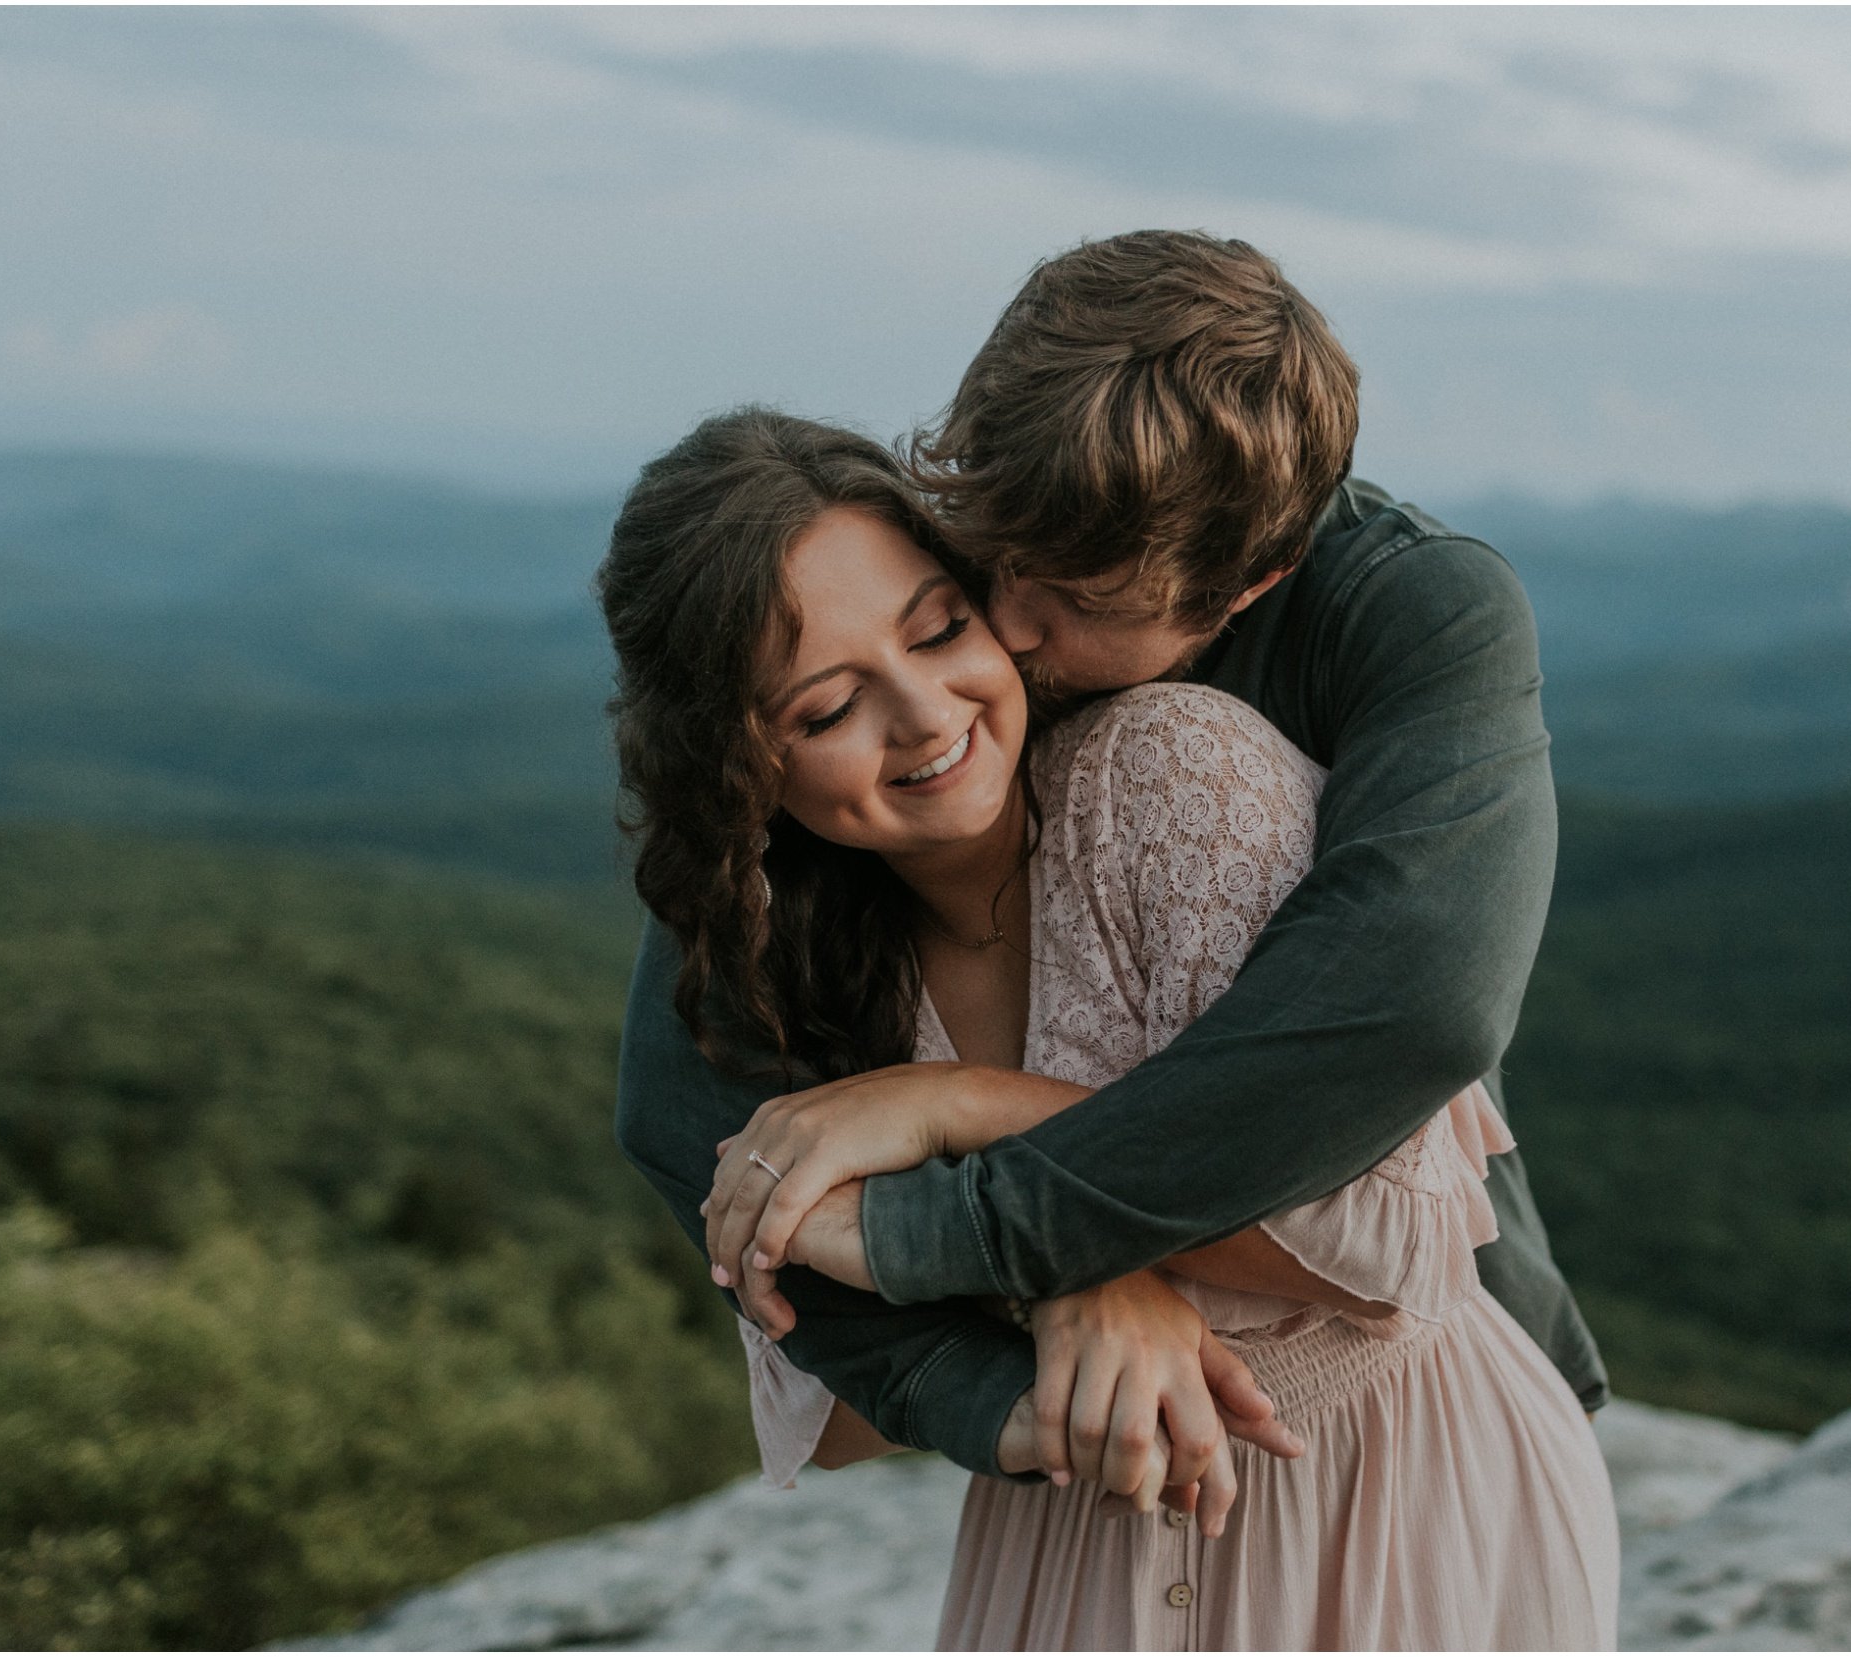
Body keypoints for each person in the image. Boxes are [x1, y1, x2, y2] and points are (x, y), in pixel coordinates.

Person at [611, 233, 1612, 1512]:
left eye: (1075, 597)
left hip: (1397, 1385)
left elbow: (1411, 1000)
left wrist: (962, 1195)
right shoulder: (956, 592)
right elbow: (683, 1089)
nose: (1009, 627)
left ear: (1252, 585)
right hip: (1110, 1453)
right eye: (991, 550)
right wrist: (1033, 1331)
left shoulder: (1410, 612)